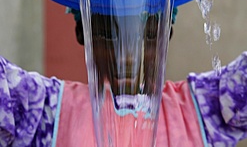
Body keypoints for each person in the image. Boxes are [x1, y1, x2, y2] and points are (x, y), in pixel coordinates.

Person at [0, 9, 247, 146]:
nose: (129, 56)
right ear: (82, 34)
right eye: (108, 35)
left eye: (149, 35)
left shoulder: (205, 112)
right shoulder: (43, 112)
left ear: (166, 37)